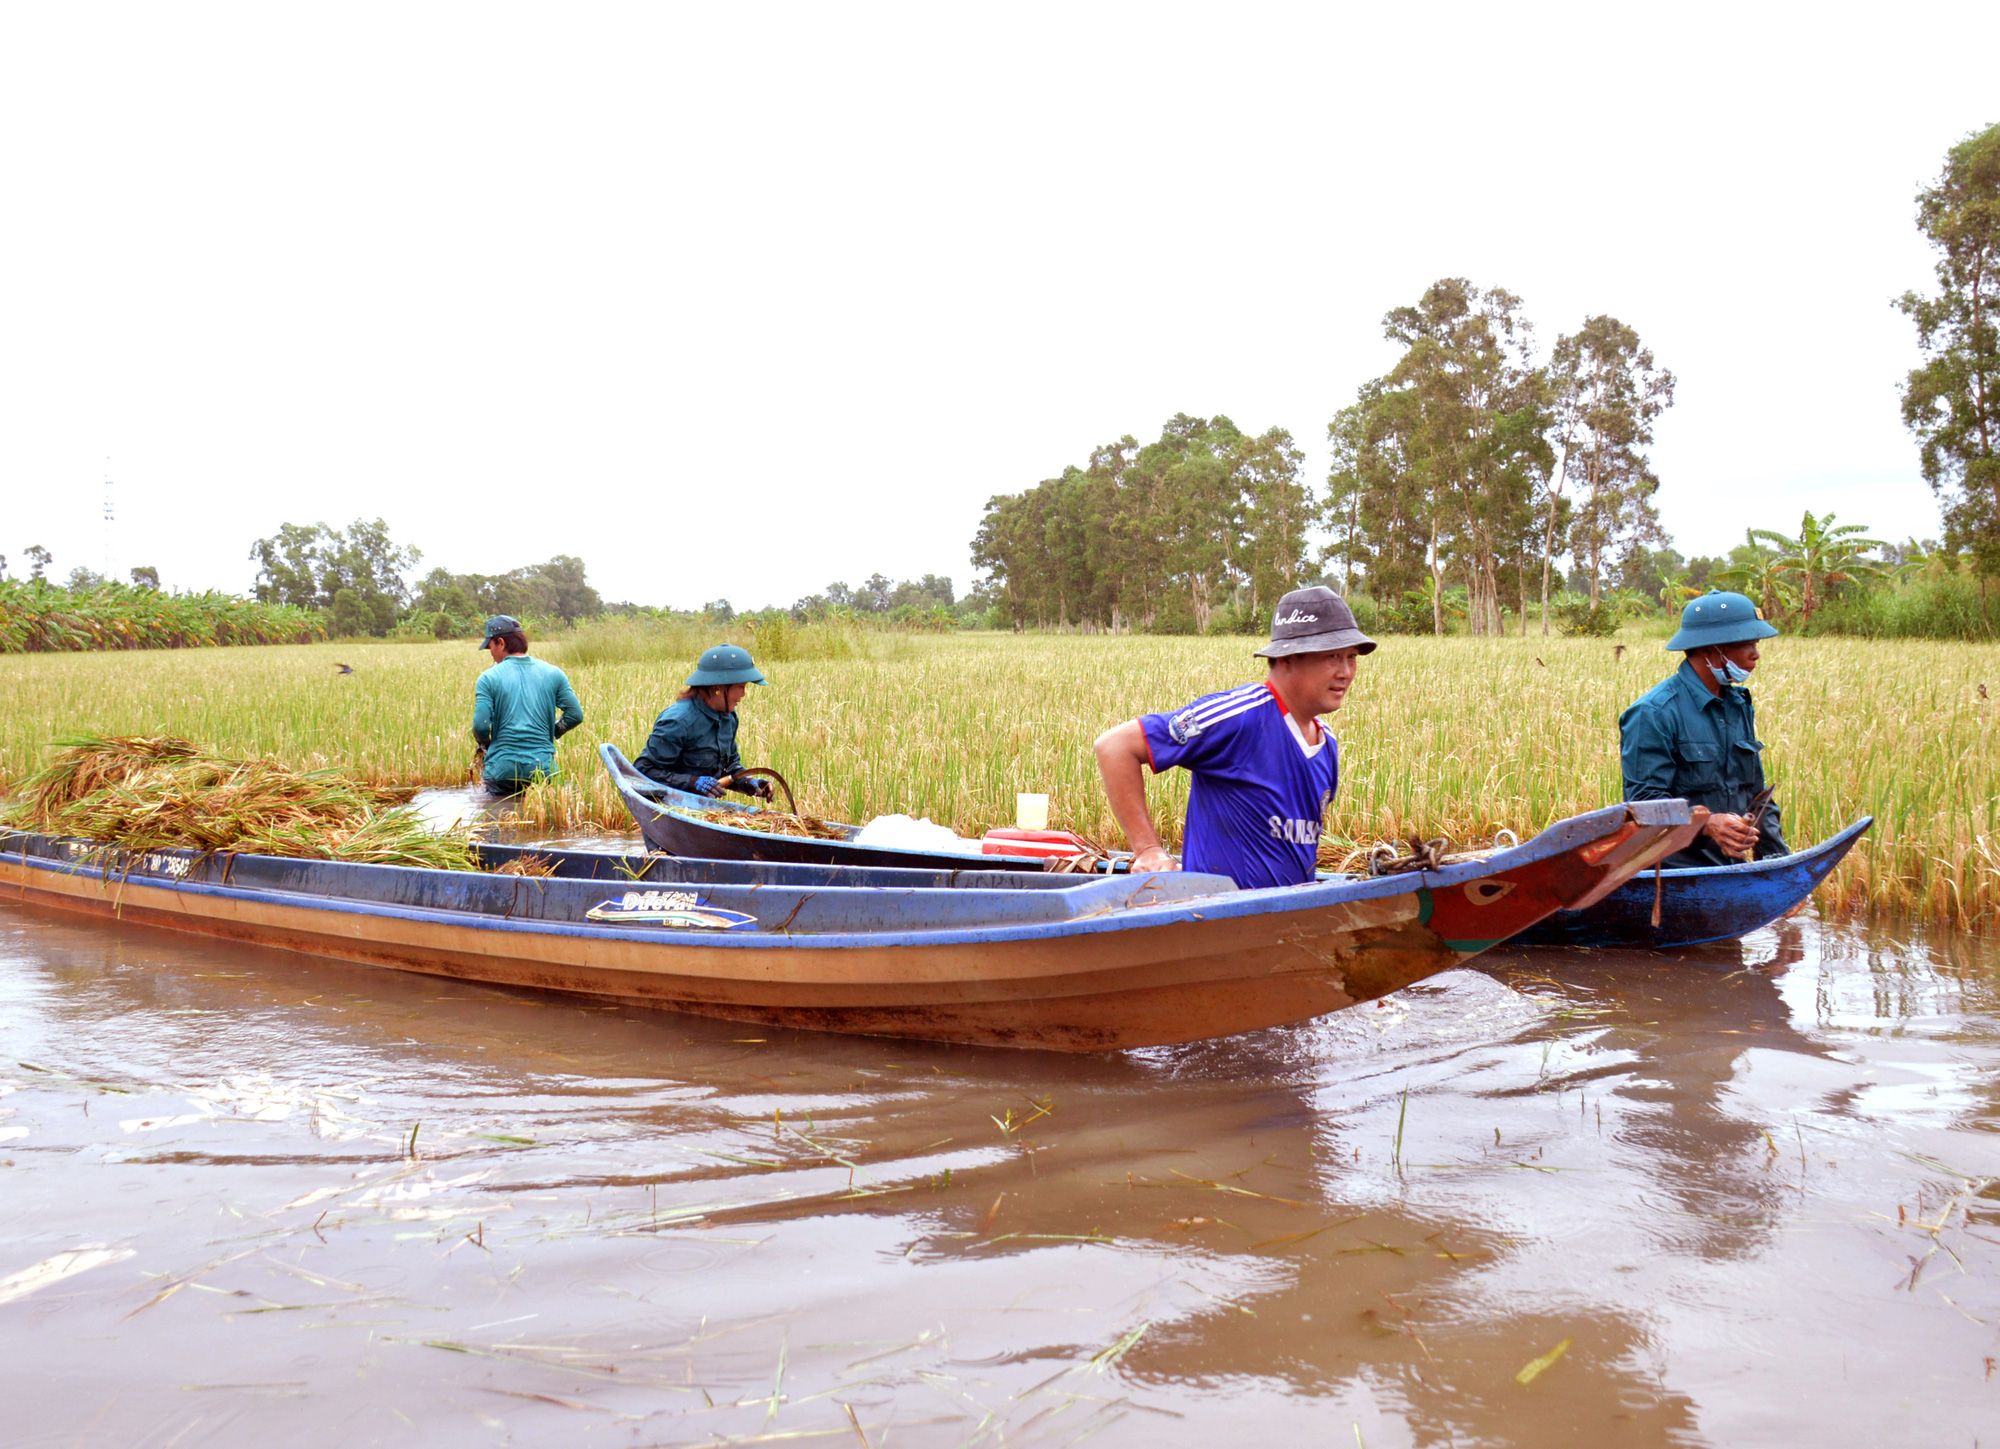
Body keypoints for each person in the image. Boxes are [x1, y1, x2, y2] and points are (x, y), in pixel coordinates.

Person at [1092, 586, 1375, 889]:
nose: (1345, 672)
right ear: (1287, 659)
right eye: (1332, 656)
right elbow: (1115, 747)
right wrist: (1148, 851)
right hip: (1216, 922)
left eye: (1351, 657)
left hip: (1285, 923)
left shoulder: (1326, 743)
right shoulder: (1239, 718)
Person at [1621, 590, 1787, 867]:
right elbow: (1644, 807)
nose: (1756, 655)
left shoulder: (1738, 704)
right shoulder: (1653, 713)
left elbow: (1757, 797)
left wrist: (1776, 864)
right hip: (1673, 873)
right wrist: (1707, 824)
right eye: (1746, 644)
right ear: (1711, 648)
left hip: (1730, 870)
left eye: (1756, 644)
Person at [634, 645, 777, 800]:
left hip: (702, 808)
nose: (743, 694)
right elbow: (643, 772)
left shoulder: (728, 718)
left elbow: (728, 768)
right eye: (741, 687)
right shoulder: (678, 722)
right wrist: (692, 782)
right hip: (667, 806)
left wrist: (748, 783)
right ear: (719, 687)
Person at [471, 614, 585, 796]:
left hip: (502, 770)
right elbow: (575, 715)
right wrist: (552, 732)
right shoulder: (553, 673)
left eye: (490, 646)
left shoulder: (488, 678)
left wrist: (485, 745)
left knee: (497, 819)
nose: (491, 653)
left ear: (500, 642)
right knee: (539, 821)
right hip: (542, 769)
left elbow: (480, 726)